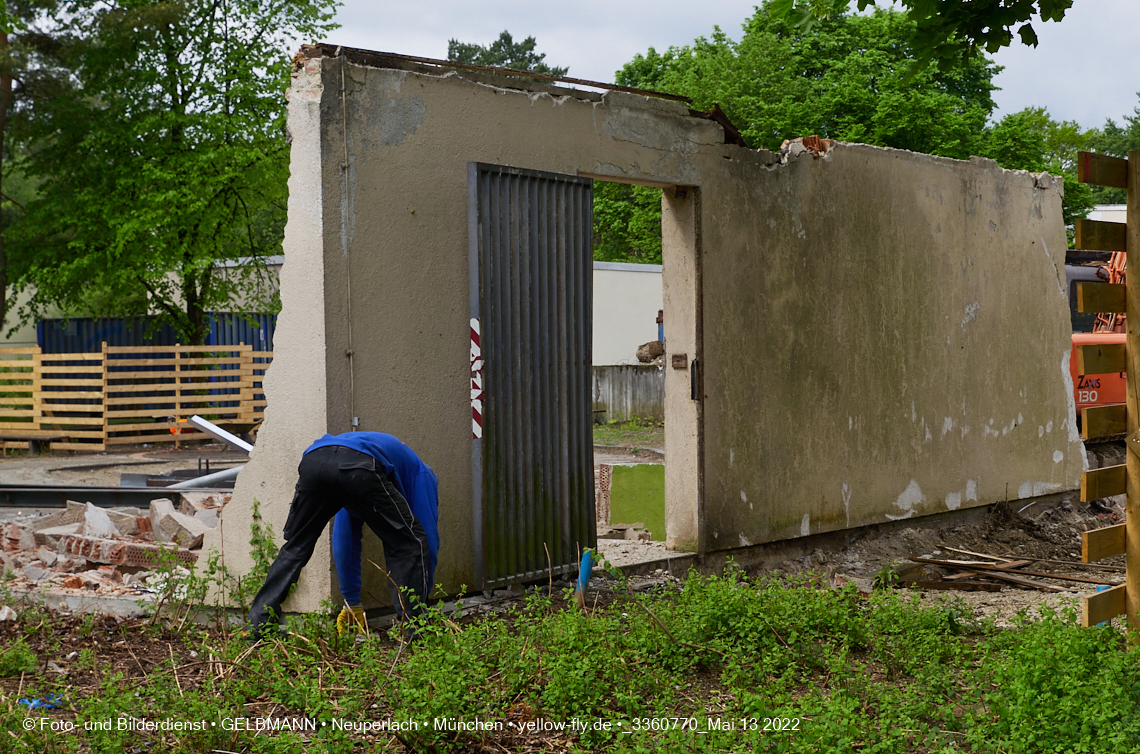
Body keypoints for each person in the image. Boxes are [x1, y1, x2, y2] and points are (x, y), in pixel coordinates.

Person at [246, 432, 440, 641]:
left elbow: (344, 538)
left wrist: (352, 602)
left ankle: (258, 628)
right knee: (410, 542)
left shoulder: (371, 464)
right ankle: (414, 631)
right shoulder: (423, 475)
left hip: (315, 460)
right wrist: (421, 598)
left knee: (296, 546)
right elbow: (427, 540)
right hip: (359, 465)